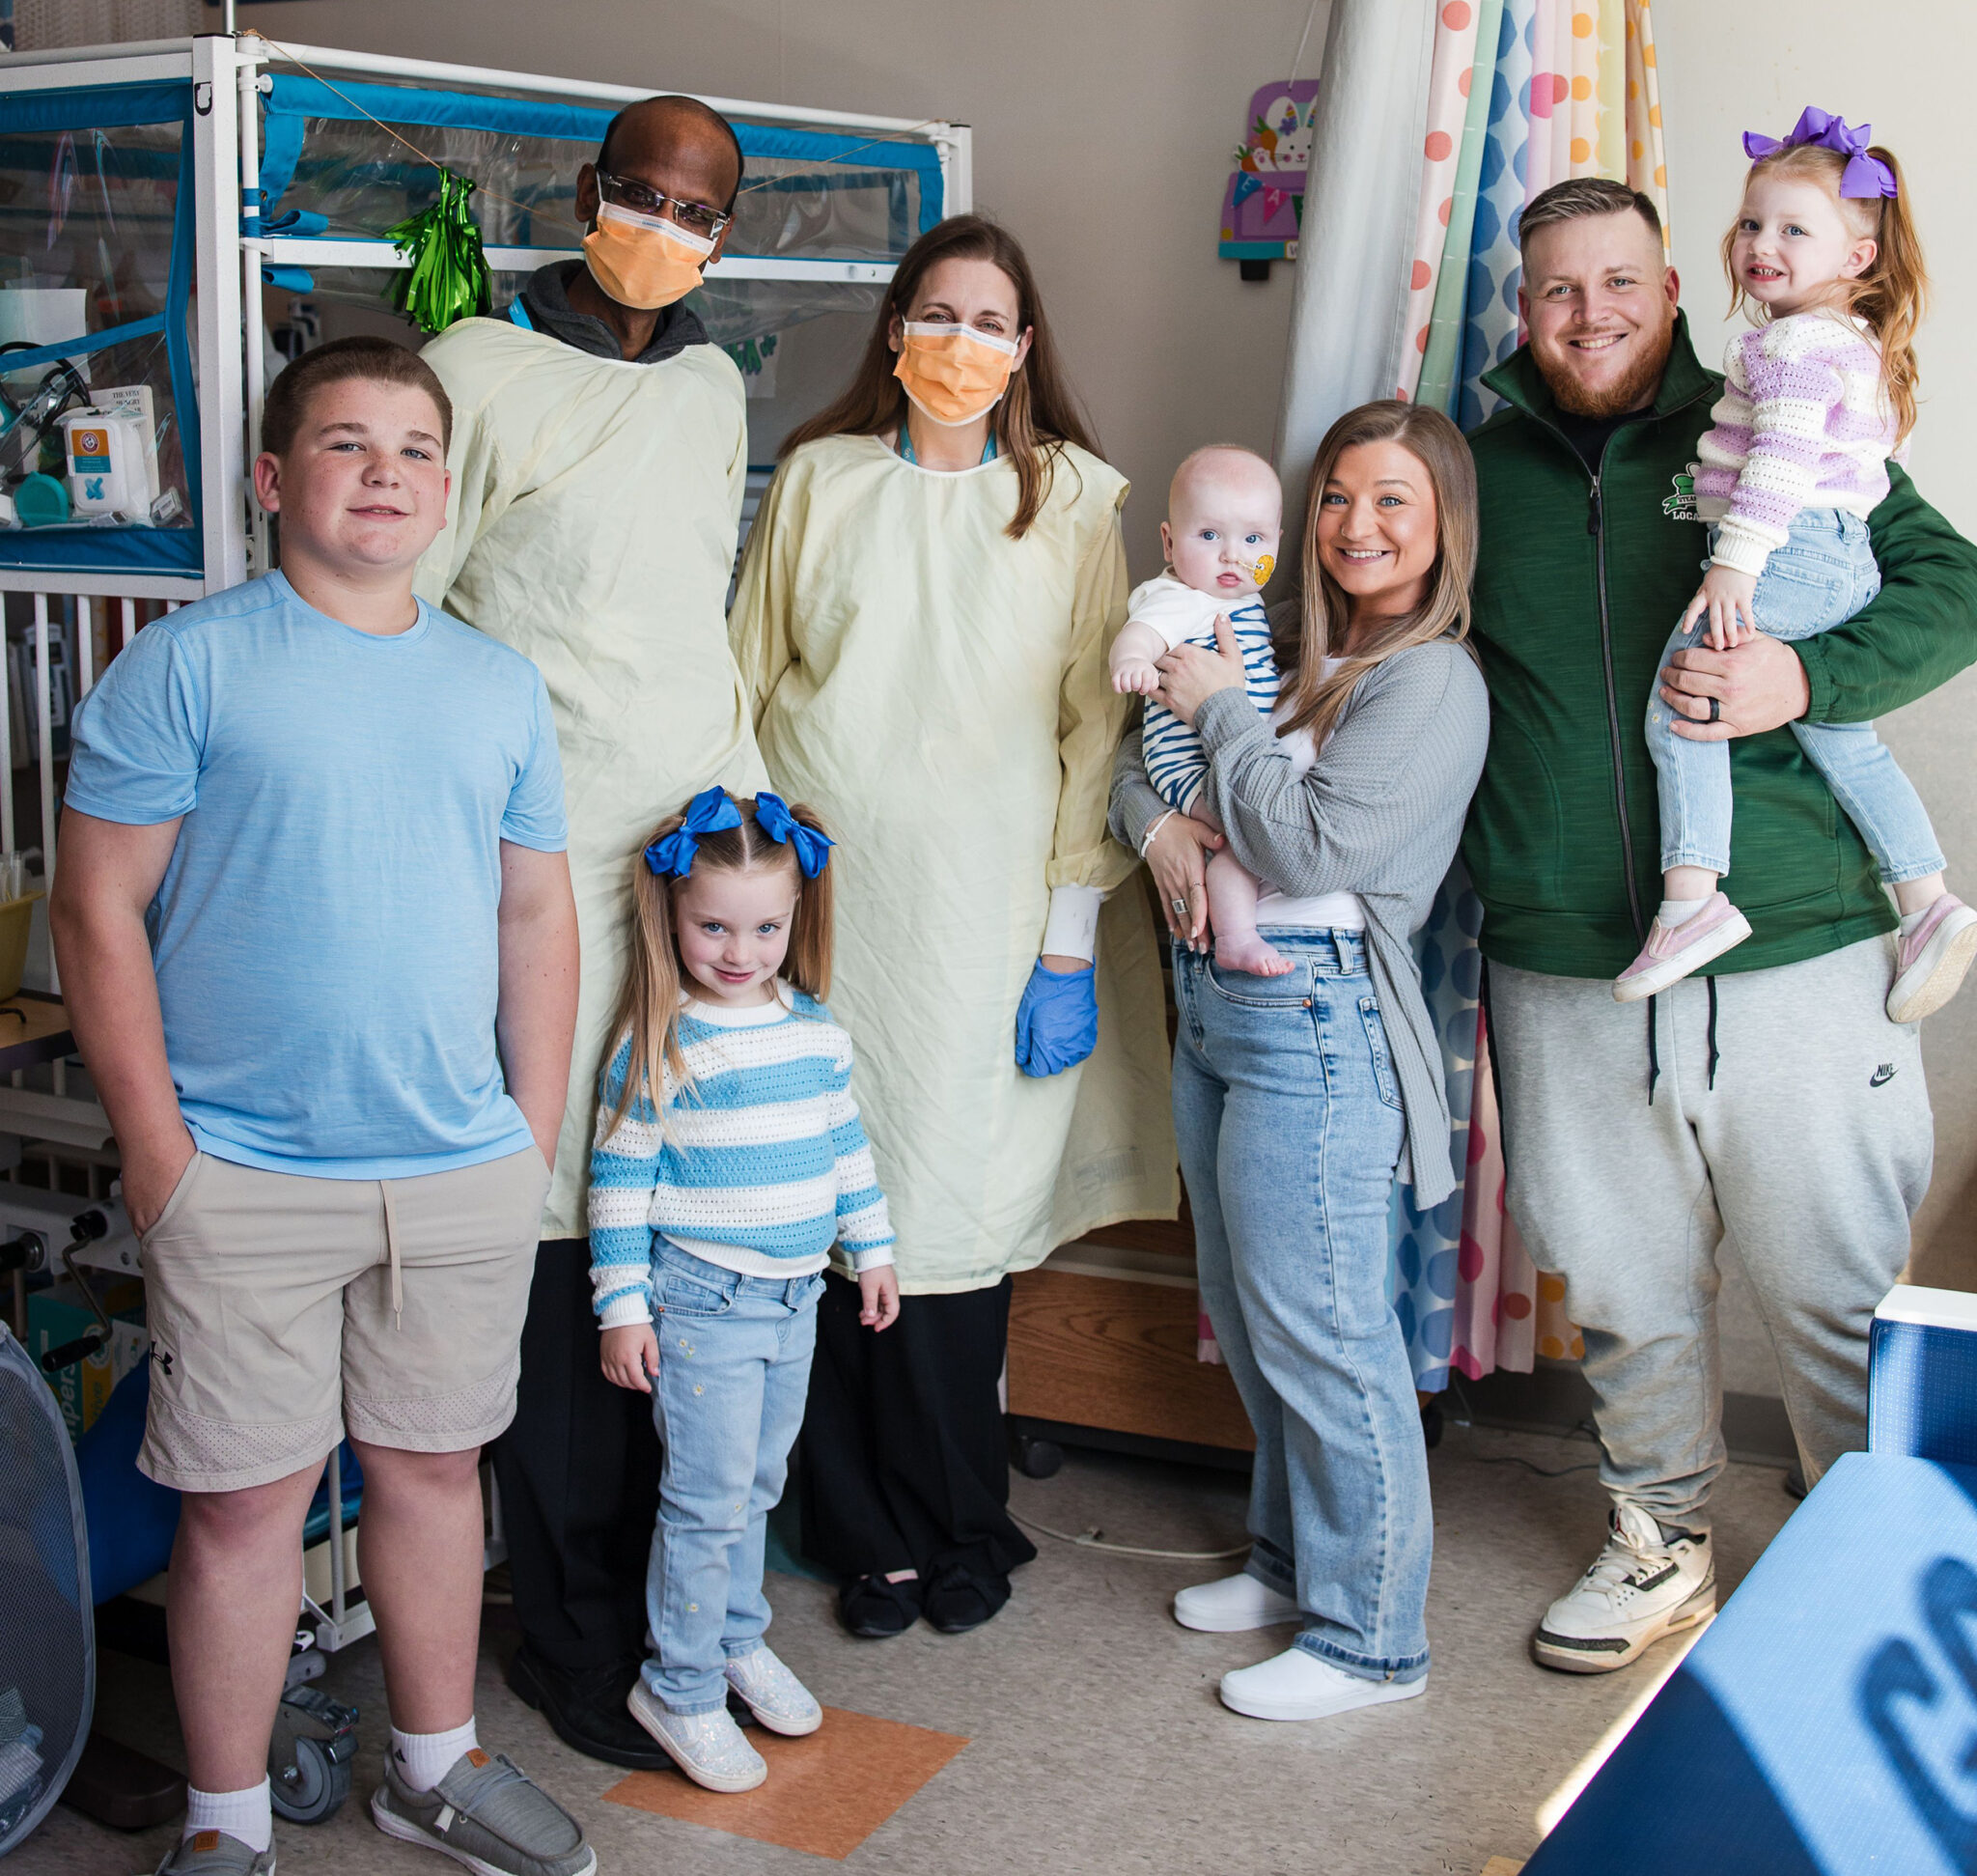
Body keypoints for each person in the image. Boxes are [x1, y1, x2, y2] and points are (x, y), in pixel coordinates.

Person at [52, 339, 591, 1876]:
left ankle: (436, 1764)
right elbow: (98, 912)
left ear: (445, 489)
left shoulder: (494, 682)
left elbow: (536, 919)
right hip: (241, 1172)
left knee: (431, 1473)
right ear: (275, 480)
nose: (384, 471)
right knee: (242, 1508)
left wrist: (525, 1135)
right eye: (347, 444)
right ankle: (225, 1824)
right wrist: (163, 1158)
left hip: (458, 1166)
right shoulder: (190, 662)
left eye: (416, 449)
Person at [1463, 175, 1977, 1675]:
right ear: (1523, 308)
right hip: (1564, 951)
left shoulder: (1772, 416)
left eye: (1617, 281)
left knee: (1836, 1287)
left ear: (1673, 283)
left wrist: (1805, 683)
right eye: (1558, 289)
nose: (1589, 314)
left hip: (1794, 937)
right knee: (1621, 1288)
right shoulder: (1476, 470)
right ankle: (1661, 1539)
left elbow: (1952, 583)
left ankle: (1866, 1561)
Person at [729, 213, 1173, 1640]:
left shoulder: (1075, 507)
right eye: (938, 313)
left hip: (987, 930)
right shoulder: (820, 480)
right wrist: (740, 899)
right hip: (825, 919)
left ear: (1024, 347)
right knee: (832, 1224)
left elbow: (1095, 734)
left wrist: (1062, 939)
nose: (961, 344)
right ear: (895, 329)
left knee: (949, 1242)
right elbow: (746, 680)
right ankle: (869, 1537)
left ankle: (963, 1516)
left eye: (989, 321)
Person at [415, 94, 766, 1768]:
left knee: (672, 1222)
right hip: (533, 863)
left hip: (683, 863)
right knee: (562, 1240)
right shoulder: (476, 371)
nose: (662, 225)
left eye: (696, 207)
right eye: (640, 194)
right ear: (585, 193)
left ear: (726, 229)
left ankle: (680, 1607)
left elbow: (684, 602)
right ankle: (567, 1632)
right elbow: (419, 613)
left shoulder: (708, 385)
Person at [1111, 401, 1488, 1723]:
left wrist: (1216, 721)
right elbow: (1131, 763)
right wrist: (1161, 831)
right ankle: (1286, 1563)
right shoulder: (1284, 653)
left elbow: (1309, 852)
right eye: (1335, 496)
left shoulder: (1434, 681)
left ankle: (1372, 1634)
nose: (1356, 525)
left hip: (1316, 1024)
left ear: (1443, 521)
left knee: (1327, 1324)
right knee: (1259, 1309)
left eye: (1393, 499)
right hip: (1218, 1003)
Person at [1624, 108, 1977, 1017]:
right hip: (1832, 557)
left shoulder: (1795, 342)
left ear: (1856, 258)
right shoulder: (1838, 340)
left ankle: (1692, 904)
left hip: (1788, 551)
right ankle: (1927, 900)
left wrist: (1735, 566)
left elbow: (1777, 463)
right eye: (1751, 223)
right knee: (1843, 740)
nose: (1760, 244)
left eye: (1792, 229)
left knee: (1684, 708)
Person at [587, 787, 898, 1792]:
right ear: (671, 917)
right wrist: (622, 1305)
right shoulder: (662, 1037)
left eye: (764, 927)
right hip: (703, 1299)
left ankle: (731, 1638)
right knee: (705, 1500)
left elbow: (843, 1145)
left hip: (796, 1296)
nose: (737, 949)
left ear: (796, 920)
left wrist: (875, 1247)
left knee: (757, 1487)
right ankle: (674, 1686)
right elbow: (620, 1178)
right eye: (711, 925)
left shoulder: (811, 1029)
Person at [1110, 445, 1290, 975]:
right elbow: (1139, 632)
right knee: (1247, 835)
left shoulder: (1241, 599)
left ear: (1277, 541)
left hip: (1215, 757)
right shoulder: (1183, 596)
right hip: (1187, 764)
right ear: (1169, 542)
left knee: (1245, 835)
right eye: (1209, 536)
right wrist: (1134, 663)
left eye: (1253, 539)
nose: (1232, 555)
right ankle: (1235, 936)